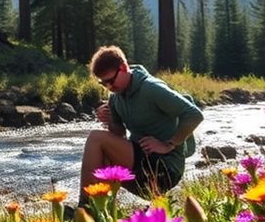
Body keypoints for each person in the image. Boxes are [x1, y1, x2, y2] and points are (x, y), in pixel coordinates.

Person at [78, 45, 203, 204]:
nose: (109, 87)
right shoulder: (116, 97)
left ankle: (84, 208)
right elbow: (119, 136)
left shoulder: (151, 88)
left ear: (123, 68)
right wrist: (110, 121)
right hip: (142, 167)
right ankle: (101, 210)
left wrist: (169, 144)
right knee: (103, 155)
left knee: (95, 138)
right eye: (103, 84)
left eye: (110, 80)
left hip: (165, 169)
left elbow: (194, 115)